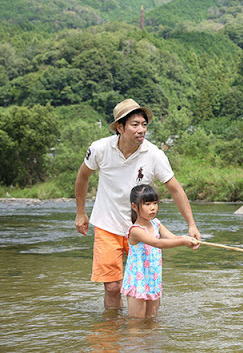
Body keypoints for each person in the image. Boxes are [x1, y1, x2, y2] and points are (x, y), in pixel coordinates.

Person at [75, 98, 201, 309]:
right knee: (113, 287)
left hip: (142, 228)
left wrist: (191, 224)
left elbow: (175, 189)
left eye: (144, 125)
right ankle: (113, 335)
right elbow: (82, 177)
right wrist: (81, 213)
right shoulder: (100, 149)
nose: (141, 130)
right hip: (108, 225)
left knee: (147, 286)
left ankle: (144, 333)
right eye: (135, 124)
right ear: (120, 127)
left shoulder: (154, 155)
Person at [121, 184, 198, 318]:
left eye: (155, 203)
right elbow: (158, 243)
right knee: (136, 323)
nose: (152, 208)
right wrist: (182, 241)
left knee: (152, 319)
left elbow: (173, 238)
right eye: (147, 204)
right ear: (134, 206)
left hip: (153, 279)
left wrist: (188, 241)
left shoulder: (156, 224)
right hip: (138, 281)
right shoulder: (135, 230)